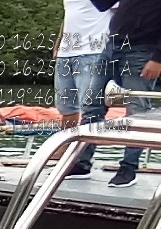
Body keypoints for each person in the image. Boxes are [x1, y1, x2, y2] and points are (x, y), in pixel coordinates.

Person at [67, 0, 161, 189]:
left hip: (144, 49)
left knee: (137, 111)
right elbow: (103, 4)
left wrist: (158, 58)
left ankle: (128, 168)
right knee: (92, 105)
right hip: (112, 45)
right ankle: (82, 164)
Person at [55, 0, 113, 130]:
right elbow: (69, 16)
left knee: (90, 108)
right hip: (66, 53)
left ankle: (85, 148)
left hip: (93, 52)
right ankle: (67, 146)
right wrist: (58, 42)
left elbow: (121, 14)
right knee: (67, 109)